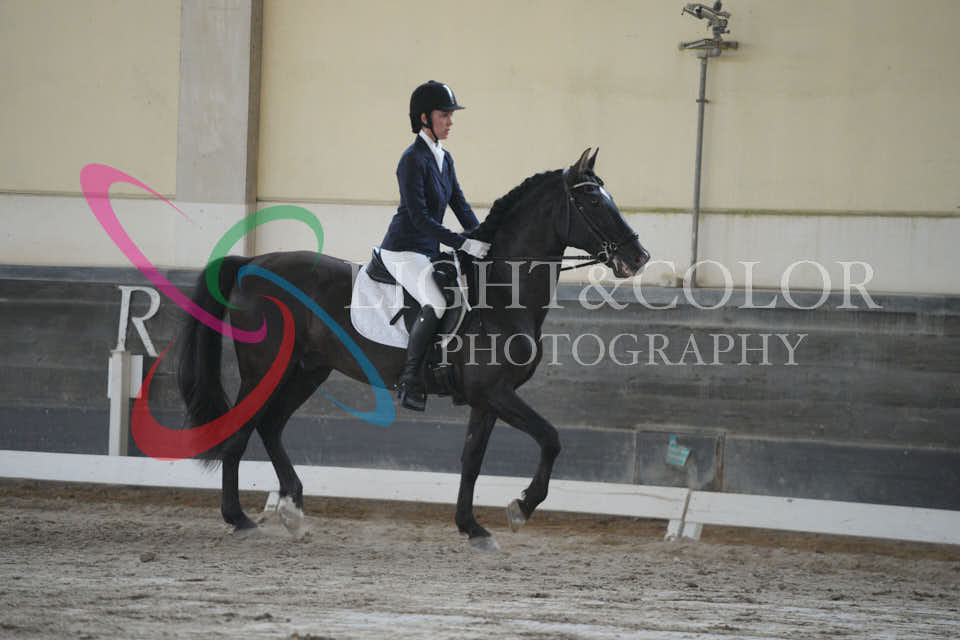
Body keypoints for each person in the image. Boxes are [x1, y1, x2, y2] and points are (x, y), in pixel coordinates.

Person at [379, 80, 490, 411]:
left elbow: (460, 205)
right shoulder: (412, 160)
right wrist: (463, 244)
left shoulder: (444, 158)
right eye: (444, 115)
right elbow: (419, 218)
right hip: (403, 249)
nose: (450, 121)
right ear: (425, 118)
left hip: (427, 251)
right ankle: (410, 379)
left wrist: (484, 236)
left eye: (451, 115)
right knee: (437, 301)